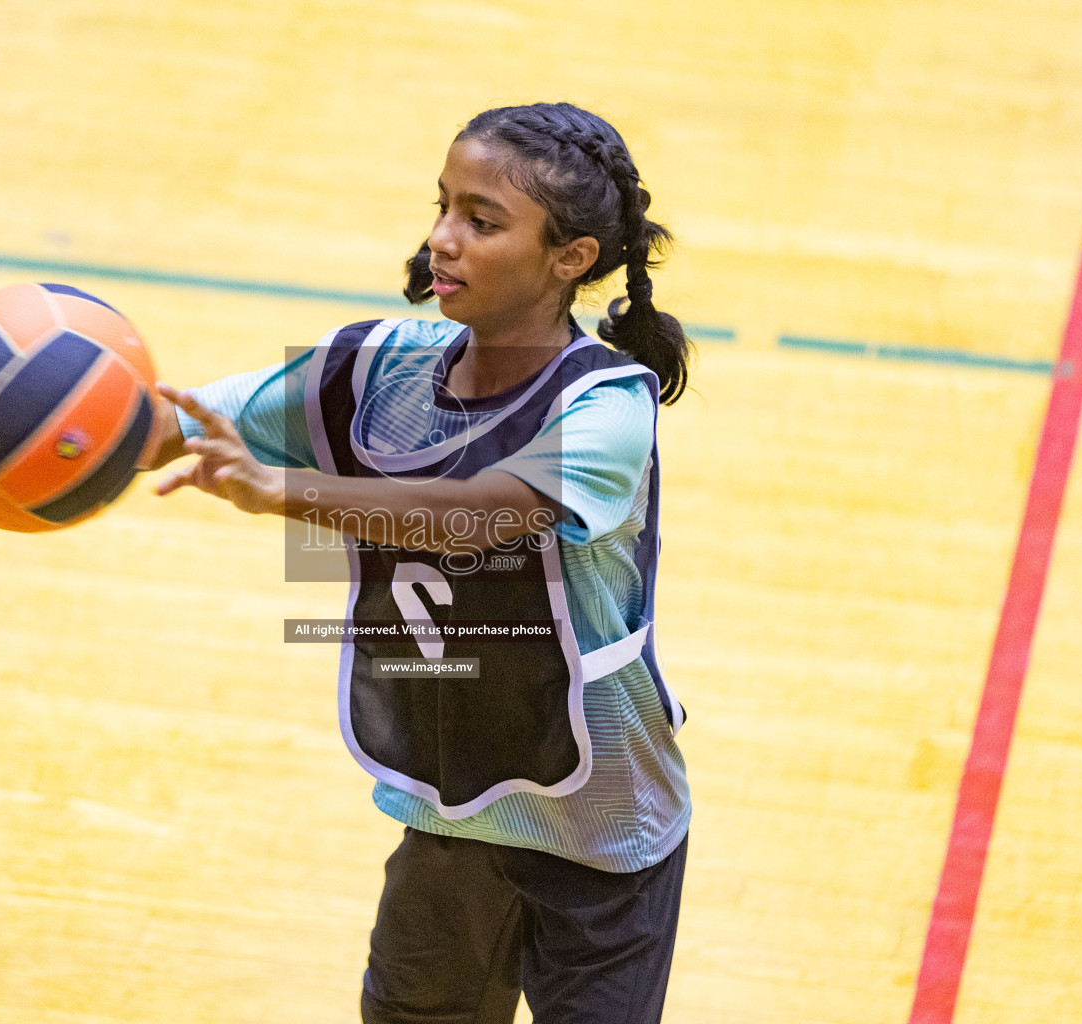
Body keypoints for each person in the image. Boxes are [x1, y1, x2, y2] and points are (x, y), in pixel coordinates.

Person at [146, 102, 693, 1024]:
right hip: (454, 811)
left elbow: (481, 519)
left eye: (482, 222)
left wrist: (283, 493)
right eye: (443, 207)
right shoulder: (377, 367)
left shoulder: (607, 406)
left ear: (574, 259)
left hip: (604, 826)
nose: (442, 239)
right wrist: (73, 425)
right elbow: (187, 419)